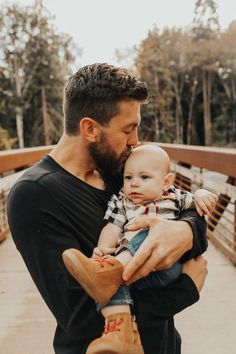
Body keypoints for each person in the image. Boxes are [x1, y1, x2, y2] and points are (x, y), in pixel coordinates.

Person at [7, 63, 208, 354]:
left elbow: (179, 202)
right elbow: (80, 317)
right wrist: (185, 290)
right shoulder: (34, 195)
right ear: (89, 128)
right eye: (128, 129)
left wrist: (185, 232)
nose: (135, 141)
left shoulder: (120, 171)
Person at [62, 144, 216, 354]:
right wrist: (103, 249)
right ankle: (119, 333)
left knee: (149, 230)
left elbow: (195, 211)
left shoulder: (173, 196)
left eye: (144, 178)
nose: (134, 183)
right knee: (111, 286)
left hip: (164, 267)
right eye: (128, 178)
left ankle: (111, 270)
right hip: (131, 274)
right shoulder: (122, 202)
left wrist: (201, 194)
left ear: (167, 182)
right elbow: (112, 227)